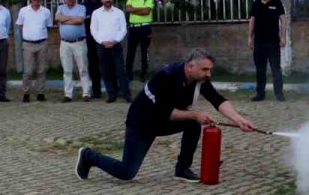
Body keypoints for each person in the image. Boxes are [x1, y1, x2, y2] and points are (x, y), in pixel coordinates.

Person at [74, 48, 256, 183]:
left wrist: (239, 120)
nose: (209, 74)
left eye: (209, 69)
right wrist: (195, 114)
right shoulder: (166, 77)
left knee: (193, 124)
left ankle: (182, 168)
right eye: (205, 69)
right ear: (190, 67)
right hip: (142, 123)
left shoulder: (199, 79)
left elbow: (218, 100)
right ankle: (89, 155)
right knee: (126, 172)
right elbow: (166, 112)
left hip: (162, 120)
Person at [248, 0, 286, 102]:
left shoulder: (277, 3)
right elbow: (252, 21)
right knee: (260, 70)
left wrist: (283, 37)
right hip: (259, 42)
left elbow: (283, 20)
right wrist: (250, 37)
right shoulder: (256, 4)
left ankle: (279, 94)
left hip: (273, 42)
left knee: (276, 69)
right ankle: (260, 94)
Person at [90, 0, 131, 103]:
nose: (108, 0)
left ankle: (127, 94)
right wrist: (102, 42)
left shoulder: (119, 13)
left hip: (116, 46)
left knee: (120, 71)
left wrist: (115, 41)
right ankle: (111, 95)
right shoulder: (96, 13)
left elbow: (123, 29)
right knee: (106, 72)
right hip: (102, 46)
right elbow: (93, 30)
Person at [16, 0, 53, 102]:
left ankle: (40, 93)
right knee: (28, 71)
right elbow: (20, 25)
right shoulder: (23, 11)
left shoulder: (46, 12)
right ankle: (26, 93)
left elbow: (48, 27)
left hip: (42, 43)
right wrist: (29, 35)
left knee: (41, 70)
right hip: (28, 44)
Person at [55, 0, 91, 102]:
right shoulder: (60, 7)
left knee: (83, 69)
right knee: (67, 70)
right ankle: (68, 94)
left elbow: (79, 21)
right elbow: (57, 18)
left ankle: (86, 93)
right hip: (65, 43)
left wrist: (64, 20)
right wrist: (72, 18)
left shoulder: (81, 7)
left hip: (79, 42)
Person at [125, 0, 154, 83]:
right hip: (133, 28)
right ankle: (128, 74)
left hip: (145, 28)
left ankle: (144, 74)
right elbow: (128, 9)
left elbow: (147, 11)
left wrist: (134, 9)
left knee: (144, 52)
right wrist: (140, 9)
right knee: (130, 52)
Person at [83, 0, 104, 100]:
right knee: (93, 66)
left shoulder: (104, 5)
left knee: (106, 65)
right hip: (90, 40)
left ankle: (113, 90)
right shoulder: (84, 6)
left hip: (103, 40)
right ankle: (96, 91)